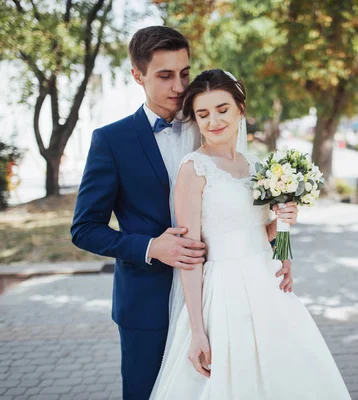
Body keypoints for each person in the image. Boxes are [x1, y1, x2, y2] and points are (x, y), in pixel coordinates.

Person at [71, 27, 298, 400]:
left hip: (224, 299)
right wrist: (150, 247)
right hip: (149, 302)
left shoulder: (209, 123)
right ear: (137, 76)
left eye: (184, 73)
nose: (178, 86)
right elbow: (84, 229)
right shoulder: (111, 141)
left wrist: (283, 240)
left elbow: (245, 221)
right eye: (164, 76)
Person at [149, 69, 351, 399]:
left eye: (222, 109)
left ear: (240, 109)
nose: (213, 120)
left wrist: (285, 232)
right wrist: (197, 331)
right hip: (224, 293)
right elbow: (190, 255)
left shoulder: (258, 167)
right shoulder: (193, 169)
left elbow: (267, 230)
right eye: (203, 113)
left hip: (268, 283)